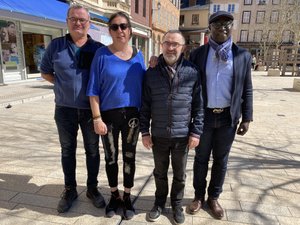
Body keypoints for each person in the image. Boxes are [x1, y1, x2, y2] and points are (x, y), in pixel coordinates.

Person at [187, 11, 253, 219]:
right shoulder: (198, 54)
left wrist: (247, 117)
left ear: (232, 26)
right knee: (200, 159)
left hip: (228, 118)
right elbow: (186, 80)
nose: (223, 27)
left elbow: (247, 88)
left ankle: (213, 197)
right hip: (203, 116)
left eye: (227, 23)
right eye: (217, 24)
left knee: (221, 160)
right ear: (210, 29)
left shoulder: (242, 55)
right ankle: (198, 196)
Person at [40, 4, 105, 213]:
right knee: (67, 150)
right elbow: (45, 72)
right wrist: (62, 86)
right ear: (67, 21)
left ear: (89, 23)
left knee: (92, 151)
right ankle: (69, 189)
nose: (78, 23)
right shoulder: (55, 46)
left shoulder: (97, 49)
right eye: (74, 19)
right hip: (64, 110)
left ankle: (92, 188)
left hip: (90, 111)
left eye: (82, 20)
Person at [140, 30, 204, 224]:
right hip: (159, 134)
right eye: (167, 43)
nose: (170, 47)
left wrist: (196, 131)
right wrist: (144, 131)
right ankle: (159, 203)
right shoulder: (151, 73)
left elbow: (198, 106)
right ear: (162, 45)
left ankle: (176, 204)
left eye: (175, 44)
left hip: (182, 136)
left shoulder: (192, 72)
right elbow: (145, 105)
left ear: (183, 47)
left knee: (179, 174)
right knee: (159, 172)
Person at [86, 12, 146, 220]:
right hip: (108, 116)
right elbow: (93, 90)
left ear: (130, 30)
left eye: (123, 26)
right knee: (111, 157)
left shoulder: (139, 56)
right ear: (109, 30)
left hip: (133, 116)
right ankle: (114, 195)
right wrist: (96, 118)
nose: (119, 30)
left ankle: (127, 196)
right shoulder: (102, 55)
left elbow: (146, 87)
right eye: (114, 27)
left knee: (130, 156)